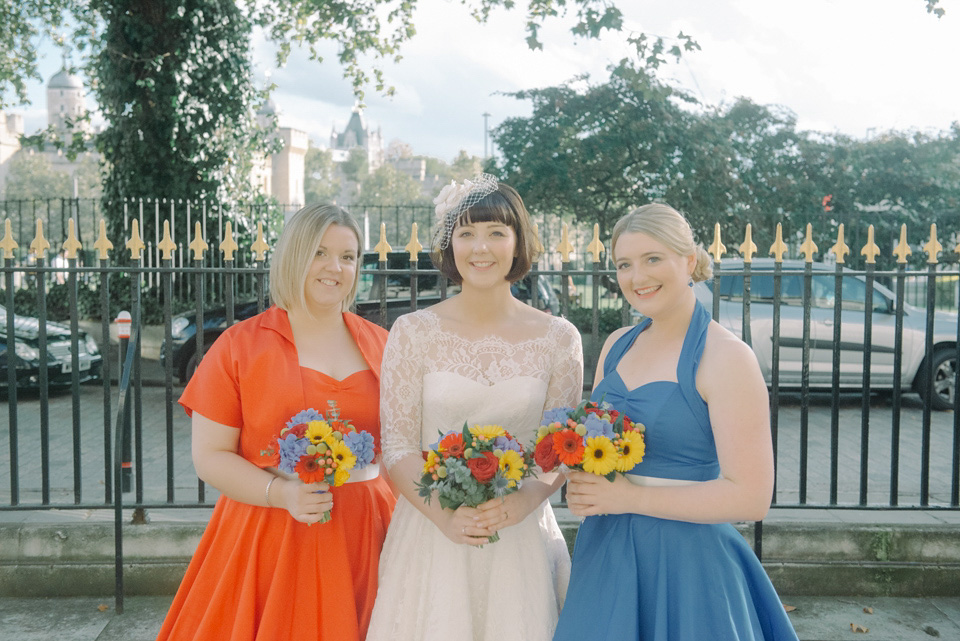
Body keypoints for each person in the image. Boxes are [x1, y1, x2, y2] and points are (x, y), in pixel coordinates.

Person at [554, 203, 798, 641]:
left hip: (687, 566)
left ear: (688, 261)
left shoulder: (726, 357)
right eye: (624, 264)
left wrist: (629, 497)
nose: (637, 277)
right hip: (607, 554)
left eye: (652, 259)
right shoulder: (615, 346)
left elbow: (752, 498)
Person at [157, 204, 396, 641]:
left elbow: (401, 449)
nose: (335, 268)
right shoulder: (239, 346)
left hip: (366, 536)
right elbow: (210, 456)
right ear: (292, 256)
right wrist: (281, 493)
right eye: (319, 252)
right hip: (271, 533)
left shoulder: (384, 345)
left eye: (348, 256)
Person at [366, 174, 583, 641]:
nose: (480, 247)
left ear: (517, 242)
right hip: (431, 530)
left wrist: (527, 499)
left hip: (520, 533)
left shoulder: (558, 338)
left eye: (496, 233)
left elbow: (558, 448)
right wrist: (446, 517)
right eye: (466, 233)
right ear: (450, 245)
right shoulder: (412, 331)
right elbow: (398, 444)